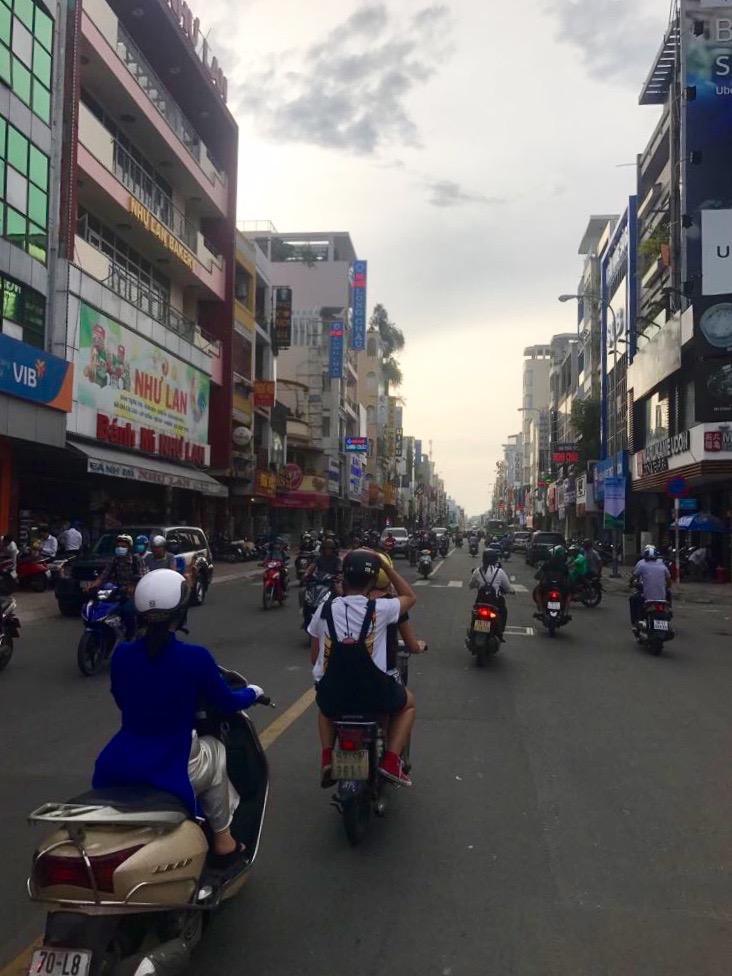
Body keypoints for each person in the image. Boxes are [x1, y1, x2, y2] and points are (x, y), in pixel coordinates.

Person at [93, 570, 267, 865]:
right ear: (181, 612)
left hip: (119, 760)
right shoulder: (195, 658)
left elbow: (122, 701)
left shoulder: (123, 655)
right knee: (216, 752)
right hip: (171, 761)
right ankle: (223, 840)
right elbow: (226, 703)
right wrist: (253, 692)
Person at [308, 549, 418, 788]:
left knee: (324, 708)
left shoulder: (324, 610)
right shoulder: (381, 608)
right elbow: (410, 596)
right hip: (374, 695)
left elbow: (315, 656)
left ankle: (327, 756)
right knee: (408, 704)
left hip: (335, 695)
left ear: (343, 579)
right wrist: (386, 566)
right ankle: (390, 760)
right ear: (372, 580)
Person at [91, 534, 147, 638]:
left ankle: (131, 634)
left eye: (123, 546)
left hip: (134, 592)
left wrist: (133, 586)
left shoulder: (137, 560)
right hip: (116, 591)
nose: (120, 548)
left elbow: (144, 576)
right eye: (118, 546)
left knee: (127, 610)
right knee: (101, 607)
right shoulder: (114, 560)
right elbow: (103, 576)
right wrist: (92, 586)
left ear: (129, 548)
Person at [469, 549, 515, 640]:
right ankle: (500, 632)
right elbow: (507, 588)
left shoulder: (478, 571)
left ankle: (472, 631)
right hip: (495, 602)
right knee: (503, 612)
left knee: (475, 614)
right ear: (495, 560)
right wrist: (512, 591)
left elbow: (471, 585)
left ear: (483, 559)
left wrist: (477, 585)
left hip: (480, 602)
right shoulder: (500, 571)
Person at [629, 545, 671, 629]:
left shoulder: (641, 565)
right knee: (668, 594)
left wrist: (631, 583)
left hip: (647, 597)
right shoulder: (662, 565)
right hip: (662, 598)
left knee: (633, 599)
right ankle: (669, 611)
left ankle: (635, 621)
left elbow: (633, 577)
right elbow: (669, 582)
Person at [533, 545, 571, 618]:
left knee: (539, 593)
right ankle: (565, 612)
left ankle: (542, 611)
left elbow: (538, 575)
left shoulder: (547, 564)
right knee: (568, 595)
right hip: (560, 587)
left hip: (548, 586)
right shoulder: (564, 566)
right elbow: (568, 578)